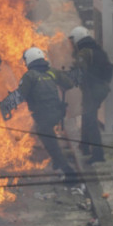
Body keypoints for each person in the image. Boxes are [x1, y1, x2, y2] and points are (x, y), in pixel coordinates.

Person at [18, 47, 75, 178]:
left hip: (43, 117)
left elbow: (21, 95)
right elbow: (69, 84)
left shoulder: (29, 76)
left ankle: (69, 172)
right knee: (44, 134)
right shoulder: (52, 72)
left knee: (51, 144)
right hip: (57, 112)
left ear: (29, 61)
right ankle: (56, 163)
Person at [68, 26, 113, 164]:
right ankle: (85, 146)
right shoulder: (98, 50)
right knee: (87, 116)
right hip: (101, 88)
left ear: (78, 39)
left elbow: (80, 72)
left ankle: (98, 155)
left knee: (91, 120)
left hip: (93, 90)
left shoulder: (84, 52)